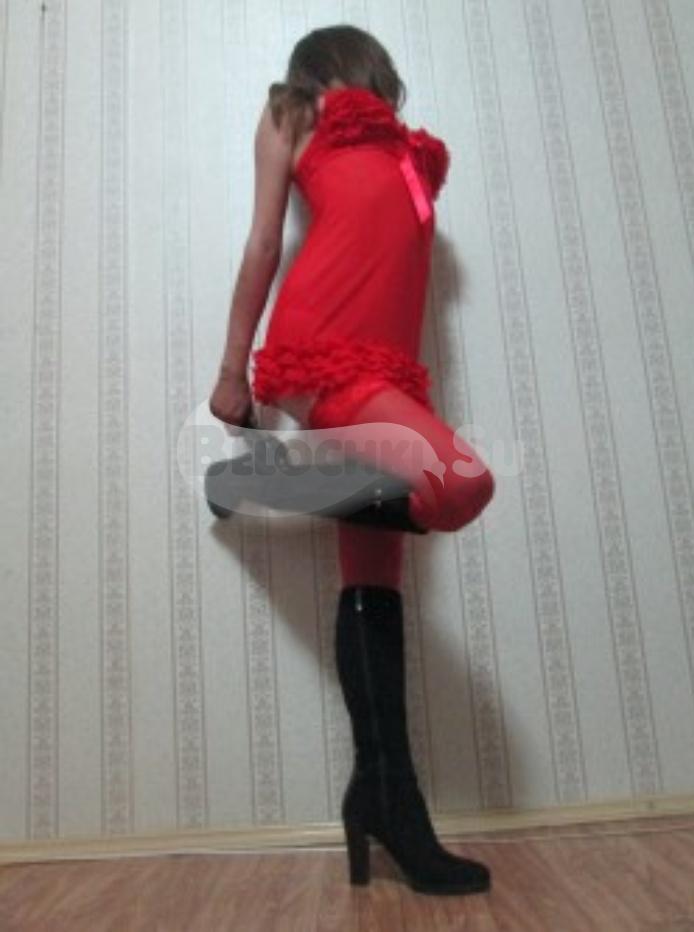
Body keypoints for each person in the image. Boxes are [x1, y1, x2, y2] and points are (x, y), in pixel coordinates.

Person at [209, 25, 495, 896]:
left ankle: (386, 797)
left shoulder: (408, 152)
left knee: (375, 586)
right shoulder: (293, 112)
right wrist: (233, 374)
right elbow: (265, 242)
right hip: (324, 351)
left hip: (390, 373)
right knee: (461, 483)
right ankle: (254, 477)